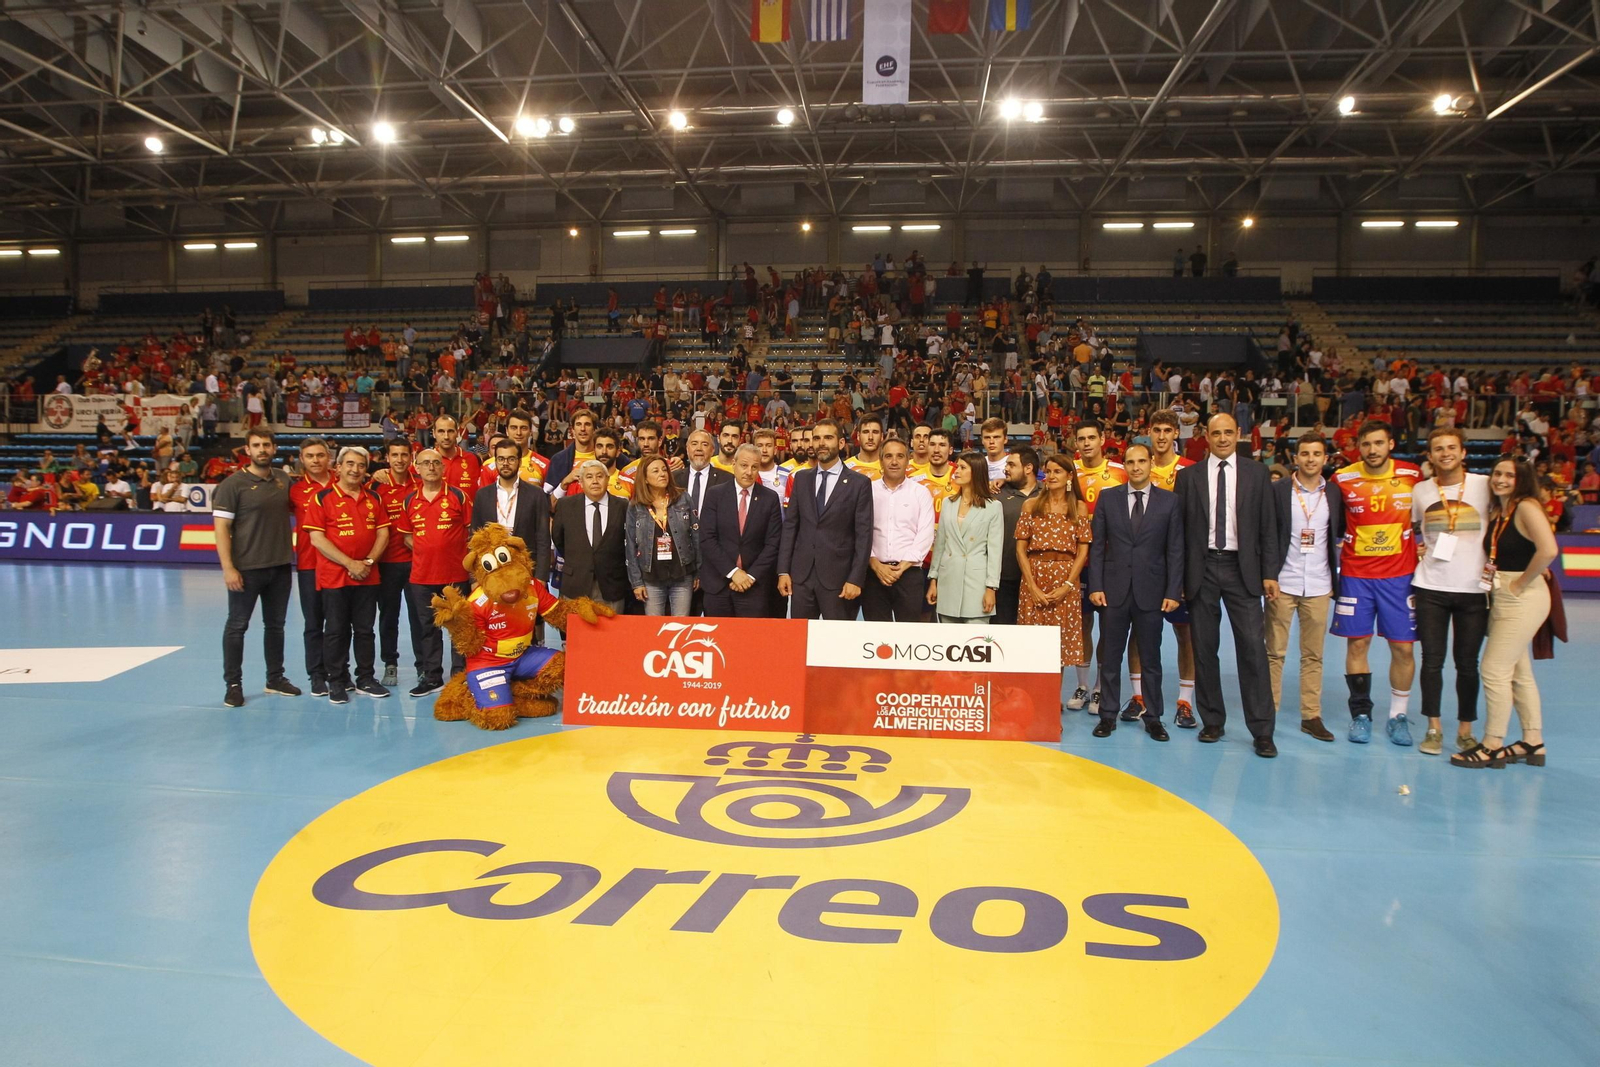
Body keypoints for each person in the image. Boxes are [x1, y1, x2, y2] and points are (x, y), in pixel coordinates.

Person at [1175, 413, 1281, 758]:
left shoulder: (1257, 473)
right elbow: (1180, 534)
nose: (1221, 438)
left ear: (1238, 434)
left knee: (1252, 648)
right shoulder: (1188, 477)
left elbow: (1268, 526)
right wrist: (1178, 580)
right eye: (1215, 433)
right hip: (1202, 568)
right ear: (1205, 436)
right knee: (1205, 648)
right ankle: (1213, 721)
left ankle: (1262, 730)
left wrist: (1270, 573)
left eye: (1227, 433)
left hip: (1243, 569)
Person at [1452, 457, 1558, 768]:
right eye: (1497, 473)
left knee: (1494, 669)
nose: (1500, 479)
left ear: (1522, 480)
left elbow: (1549, 549)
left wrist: (1523, 582)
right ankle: (1532, 741)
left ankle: (1492, 744)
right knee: (1518, 672)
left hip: (1520, 595)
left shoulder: (1526, 506)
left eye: (1509, 475)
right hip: (1502, 592)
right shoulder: (1501, 510)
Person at [1330, 420, 1422, 746]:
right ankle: (1361, 714)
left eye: (1379, 443)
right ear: (1359, 446)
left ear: (1391, 444)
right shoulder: (1342, 478)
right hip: (1356, 575)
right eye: (1366, 444)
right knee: (1357, 645)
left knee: (1403, 647)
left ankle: (1398, 716)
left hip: (1400, 577)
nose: (1372, 450)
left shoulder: (1413, 476)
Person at [1087, 443, 1183, 741]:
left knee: (1152, 659)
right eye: (1131, 462)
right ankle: (1107, 715)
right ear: (1124, 466)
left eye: (1142, 461)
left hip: (1152, 592)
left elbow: (1175, 550)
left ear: (1151, 463)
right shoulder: (1108, 498)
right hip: (1113, 592)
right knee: (1111, 657)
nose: (1136, 467)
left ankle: (1153, 717)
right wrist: (1096, 586)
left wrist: (1173, 590)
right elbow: (1098, 547)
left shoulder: (1170, 502)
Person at [1412, 427, 1492, 755]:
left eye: (1451, 447)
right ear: (1430, 456)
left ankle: (1465, 730)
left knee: (1467, 663)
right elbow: (1415, 530)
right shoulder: (1420, 491)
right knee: (1431, 661)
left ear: (1463, 453)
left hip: (1473, 589)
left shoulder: (1484, 486)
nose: (1445, 453)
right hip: (1431, 586)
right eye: (1438, 449)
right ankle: (1433, 728)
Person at [213, 428, 299, 708]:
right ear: (247, 450)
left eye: (267, 445)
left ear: (274, 448)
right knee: (237, 626)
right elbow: (221, 529)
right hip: (246, 569)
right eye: (256, 445)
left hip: (280, 566)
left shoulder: (283, 480)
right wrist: (228, 568)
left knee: (276, 626)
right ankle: (233, 684)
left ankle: (275, 678)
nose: (262, 449)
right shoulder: (232, 485)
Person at [1266, 431, 1342, 742]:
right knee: (1274, 653)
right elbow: (1268, 535)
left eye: (1317, 454)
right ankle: (1267, 712)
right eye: (1305, 454)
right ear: (1295, 458)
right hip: (1284, 582)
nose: (1311, 459)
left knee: (1313, 654)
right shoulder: (1279, 490)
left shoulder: (1334, 494)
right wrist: (1268, 575)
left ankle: (1311, 715)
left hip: (1320, 585)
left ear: (1325, 459)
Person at [305, 447, 391, 703]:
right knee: (336, 630)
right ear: (338, 467)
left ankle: (365, 678)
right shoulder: (322, 498)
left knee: (365, 629)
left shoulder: (374, 498)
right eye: (350, 464)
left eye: (361, 465)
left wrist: (368, 561)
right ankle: (337, 680)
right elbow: (317, 539)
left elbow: (383, 533)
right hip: (335, 576)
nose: (355, 469)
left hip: (367, 575)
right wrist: (349, 563)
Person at [778, 417, 874, 620]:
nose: (821, 443)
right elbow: (790, 527)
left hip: (840, 579)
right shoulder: (801, 479)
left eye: (828, 438)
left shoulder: (859, 484)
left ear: (840, 443)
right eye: (817, 438)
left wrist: (856, 579)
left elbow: (863, 535)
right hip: (801, 578)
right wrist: (783, 571)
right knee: (800, 644)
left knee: (838, 646)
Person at [1015, 454, 1093, 695]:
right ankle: (1032, 699)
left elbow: (1083, 550)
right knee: (1034, 645)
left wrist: (1068, 585)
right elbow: (1020, 549)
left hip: (1065, 580)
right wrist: (1032, 587)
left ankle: (1050, 701)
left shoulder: (1078, 507)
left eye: (1057, 471)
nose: (1051, 476)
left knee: (1057, 648)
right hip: (1034, 577)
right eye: (1048, 472)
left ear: (1070, 476)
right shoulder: (1031, 505)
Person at [1139, 408, 1198, 725]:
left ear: (1176, 434)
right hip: (1144, 565)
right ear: (1149, 432)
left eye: (1167, 430)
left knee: (1184, 633)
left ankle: (1185, 701)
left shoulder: (1189, 470)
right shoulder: (1138, 469)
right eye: (1156, 430)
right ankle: (1138, 696)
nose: (1161, 436)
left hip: (1177, 566)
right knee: (1139, 632)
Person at [1066, 420, 1127, 713]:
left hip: (1110, 561)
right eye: (1081, 439)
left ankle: (1102, 686)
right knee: (1081, 625)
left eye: (1092, 437)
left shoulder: (1119, 472)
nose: (1087, 443)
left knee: (1109, 625)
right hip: (1077, 561)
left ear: (1102, 439)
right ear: (1075, 443)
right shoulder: (1069, 473)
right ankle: (1083, 685)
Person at [400, 449, 471, 696]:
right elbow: (407, 536)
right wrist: (428, 549)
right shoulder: (409, 500)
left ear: (443, 468)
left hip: (455, 576)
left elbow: (470, 531)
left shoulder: (458, 496)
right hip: (421, 578)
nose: (431, 467)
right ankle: (432, 677)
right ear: (416, 468)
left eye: (436, 463)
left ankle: (459, 677)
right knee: (428, 630)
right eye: (425, 463)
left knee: (458, 629)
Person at [699, 444, 784, 617]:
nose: (749, 472)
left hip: (754, 586)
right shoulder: (715, 494)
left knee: (750, 642)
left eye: (754, 467)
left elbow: (773, 544)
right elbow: (707, 539)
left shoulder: (770, 498)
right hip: (718, 584)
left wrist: (750, 577)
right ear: (734, 464)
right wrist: (733, 573)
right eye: (744, 465)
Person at [864, 438, 936, 623]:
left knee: (908, 638)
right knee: (875, 639)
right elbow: (860, 532)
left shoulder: (921, 493)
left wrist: (900, 568)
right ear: (881, 460)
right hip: (873, 574)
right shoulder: (866, 491)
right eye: (888, 456)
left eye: (899, 456)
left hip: (909, 575)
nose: (894, 462)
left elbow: (925, 535)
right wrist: (875, 565)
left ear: (908, 460)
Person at [927, 452, 1004, 623]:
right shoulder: (948, 503)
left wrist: (991, 588)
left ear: (975, 472)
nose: (956, 472)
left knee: (975, 643)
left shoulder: (993, 507)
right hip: (948, 581)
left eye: (962, 468)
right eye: (957, 467)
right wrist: (933, 579)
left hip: (977, 584)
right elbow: (940, 544)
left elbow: (994, 551)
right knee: (949, 643)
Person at [371, 439, 423, 689]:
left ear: (411, 457)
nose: (400, 459)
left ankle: (423, 666)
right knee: (388, 617)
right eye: (395, 455)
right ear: (387, 458)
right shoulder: (377, 486)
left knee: (419, 618)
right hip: (388, 564)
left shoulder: (420, 484)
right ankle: (389, 663)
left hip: (416, 563)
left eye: (404, 455)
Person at [552, 459, 631, 614]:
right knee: (577, 637)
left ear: (607, 479)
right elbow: (558, 539)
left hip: (612, 585)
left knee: (610, 636)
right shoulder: (565, 505)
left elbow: (628, 542)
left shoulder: (623, 506)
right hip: (575, 584)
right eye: (589, 477)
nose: (595, 481)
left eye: (600, 476)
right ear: (580, 482)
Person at [624, 455, 699, 615]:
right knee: (654, 629)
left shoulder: (683, 498)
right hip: (651, 577)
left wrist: (698, 572)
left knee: (680, 626)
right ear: (644, 478)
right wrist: (636, 582)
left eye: (664, 470)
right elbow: (630, 545)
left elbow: (696, 536)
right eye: (656, 471)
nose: (662, 474)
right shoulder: (635, 505)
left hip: (682, 574)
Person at [289, 437, 335, 695]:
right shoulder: (294, 490)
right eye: (310, 456)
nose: (316, 460)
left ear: (329, 457)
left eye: (320, 455)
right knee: (313, 623)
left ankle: (337, 670)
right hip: (309, 565)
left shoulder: (343, 482)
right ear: (302, 459)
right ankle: (316, 675)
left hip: (339, 566)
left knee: (338, 624)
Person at [470, 439, 552, 582]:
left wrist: (541, 577)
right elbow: (475, 537)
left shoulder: (536, 494)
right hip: (492, 572)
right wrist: (474, 579)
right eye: (501, 459)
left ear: (519, 462)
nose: (505, 463)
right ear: (495, 461)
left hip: (526, 570)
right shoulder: (483, 495)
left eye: (511, 459)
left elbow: (543, 538)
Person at [996, 446, 1041, 625]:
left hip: (1038, 580)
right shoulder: (996, 495)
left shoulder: (1047, 494)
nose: (1006, 469)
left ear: (1028, 468)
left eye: (1011, 465)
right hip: (1005, 578)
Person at [675, 428, 732, 518]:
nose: (699, 448)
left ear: (712, 450)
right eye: (694, 444)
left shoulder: (727, 480)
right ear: (687, 449)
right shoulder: (674, 478)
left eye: (705, 444)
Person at [433, 414, 482, 497]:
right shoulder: (424, 461)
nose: (446, 437)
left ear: (457, 432)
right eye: (441, 431)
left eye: (450, 431)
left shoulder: (473, 459)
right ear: (434, 433)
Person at [845, 414, 885, 480]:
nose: (870, 437)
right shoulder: (846, 467)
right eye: (865, 432)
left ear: (881, 436)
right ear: (858, 436)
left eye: (875, 432)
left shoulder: (890, 467)